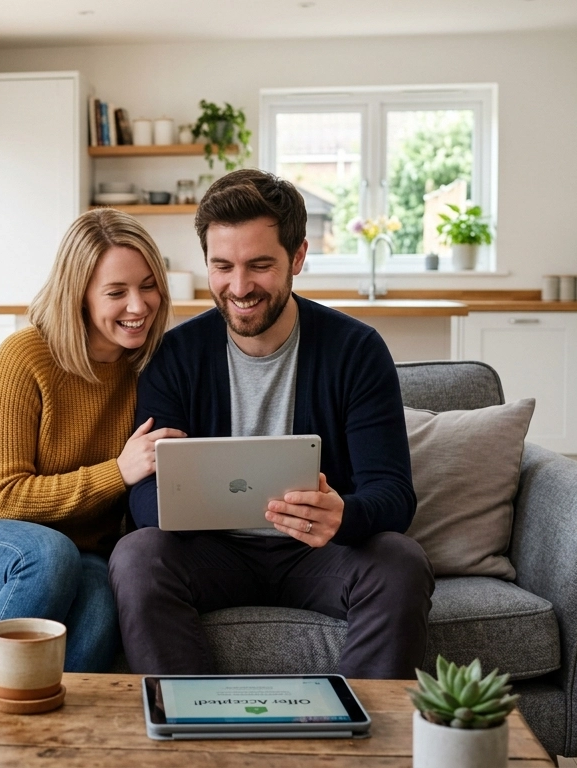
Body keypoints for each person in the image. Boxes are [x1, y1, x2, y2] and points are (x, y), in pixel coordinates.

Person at [108, 169, 434, 680]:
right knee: (135, 556)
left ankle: (363, 742)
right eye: (223, 266)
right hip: (212, 557)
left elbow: (394, 494)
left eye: (260, 265)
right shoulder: (174, 355)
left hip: (320, 553)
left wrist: (342, 515)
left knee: (400, 562)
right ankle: (189, 731)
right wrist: (187, 504)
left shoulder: (357, 350)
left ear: (298, 257)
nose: (239, 288)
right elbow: (145, 498)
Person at [0, 208, 184, 673]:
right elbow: (1, 499)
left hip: (78, 552)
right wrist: (117, 472)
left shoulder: (150, 369)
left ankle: (49, 739)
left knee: (105, 598)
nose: (138, 306)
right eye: (116, 292)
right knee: (50, 554)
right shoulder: (26, 356)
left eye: (148, 285)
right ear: (78, 295)